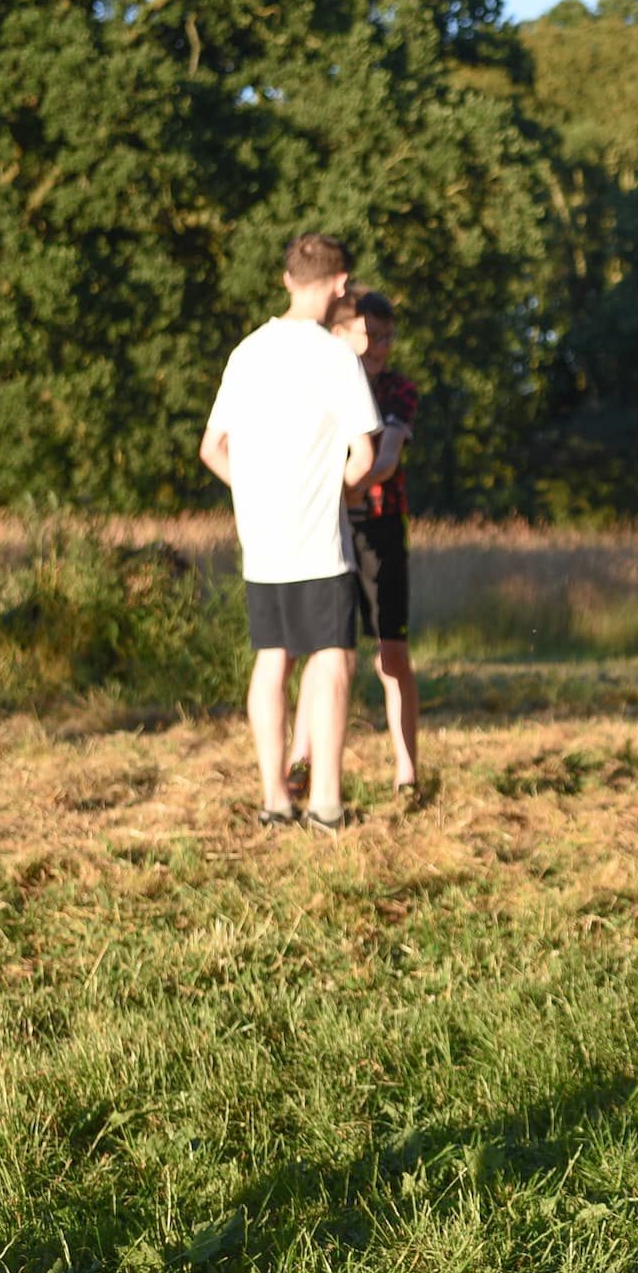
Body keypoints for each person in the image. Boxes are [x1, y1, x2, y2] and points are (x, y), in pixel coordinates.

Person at [199, 234, 382, 832]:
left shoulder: (245, 352)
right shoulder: (336, 357)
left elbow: (212, 449)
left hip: (262, 542)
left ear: (285, 280)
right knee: (331, 661)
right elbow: (362, 456)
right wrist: (342, 494)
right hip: (318, 542)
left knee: (271, 661)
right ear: (339, 283)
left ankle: (275, 800)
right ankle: (326, 804)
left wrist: (252, 493)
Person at [289, 288, 421, 800]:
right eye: (370, 334)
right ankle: (301, 760)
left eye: (387, 335)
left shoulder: (398, 391)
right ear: (342, 335)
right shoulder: (321, 385)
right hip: (327, 529)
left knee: (391, 653)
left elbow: (385, 459)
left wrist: (338, 488)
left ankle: (407, 771)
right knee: (322, 650)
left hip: (381, 530)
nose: (380, 345)